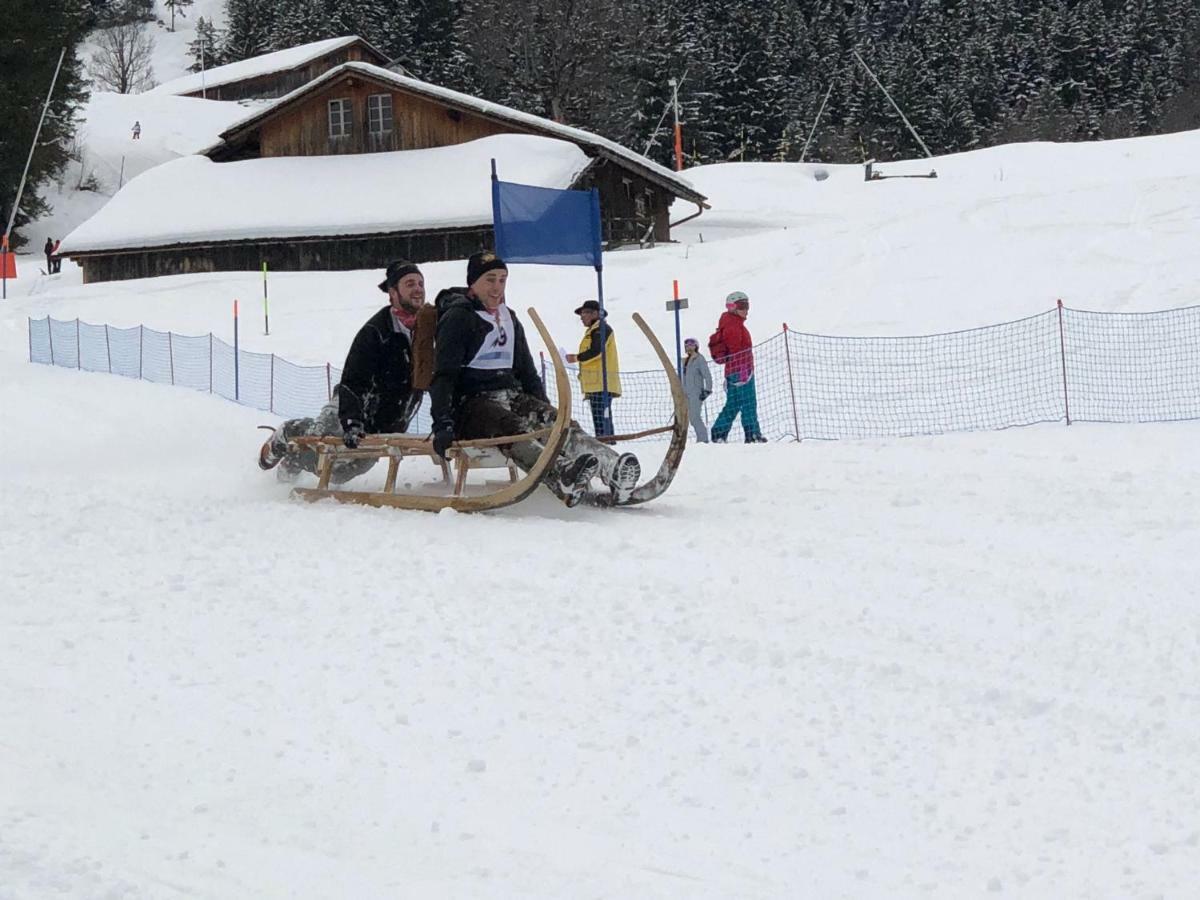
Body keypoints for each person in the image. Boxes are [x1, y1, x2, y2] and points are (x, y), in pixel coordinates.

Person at [429, 251, 640, 507]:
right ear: (473, 283)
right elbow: (443, 375)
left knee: (558, 422)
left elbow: (526, 370)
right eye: (490, 280)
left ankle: (612, 468)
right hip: (469, 404)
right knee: (512, 427)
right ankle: (561, 473)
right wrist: (442, 423)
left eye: (502, 280)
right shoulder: (459, 317)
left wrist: (545, 408)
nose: (497, 288)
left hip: (510, 394)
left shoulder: (509, 318)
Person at [257, 260, 432, 482]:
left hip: (386, 421)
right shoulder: (376, 332)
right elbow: (354, 380)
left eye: (420, 283)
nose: (418, 289)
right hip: (352, 406)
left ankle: (295, 458)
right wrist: (352, 421)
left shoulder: (428, 329)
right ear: (393, 292)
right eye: (409, 284)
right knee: (320, 447)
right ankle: (289, 432)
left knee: (338, 474)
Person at [709, 290, 766, 443]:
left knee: (733, 404)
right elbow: (735, 351)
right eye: (742, 305)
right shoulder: (733, 326)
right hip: (741, 371)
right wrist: (742, 370)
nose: (746, 309)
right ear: (732, 307)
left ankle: (718, 433)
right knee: (748, 402)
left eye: (747, 305)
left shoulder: (730, 323)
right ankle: (752, 434)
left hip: (734, 371)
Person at [565, 299, 621, 436]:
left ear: (595, 313)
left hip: (602, 383)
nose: (582, 317)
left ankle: (607, 442)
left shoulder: (602, 330)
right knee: (599, 419)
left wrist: (577, 358)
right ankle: (605, 440)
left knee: (602, 419)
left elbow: (596, 351)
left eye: (585, 313)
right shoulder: (593, 331)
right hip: (595, 384)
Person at [682, 337, 713, 442]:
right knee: (688, 418)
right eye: (687, 346)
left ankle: (703, 439)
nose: (689, 348)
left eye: (691, 345)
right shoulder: (684, 361)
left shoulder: (699, 359)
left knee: (695, 417)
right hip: (685, 393)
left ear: (696, 347)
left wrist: (707, 390)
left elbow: (707, 375)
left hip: (696, 393)